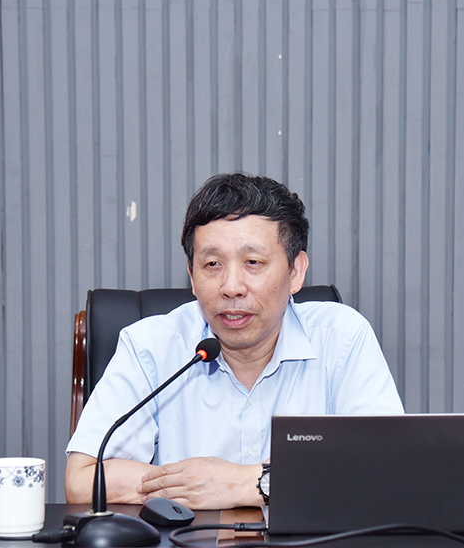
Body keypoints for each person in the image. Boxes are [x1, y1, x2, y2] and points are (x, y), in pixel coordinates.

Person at [65, 173, 403, 509]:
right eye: (212, 264)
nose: (231, 287)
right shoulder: (149, 348)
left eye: (253, 262)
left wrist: (244, 483)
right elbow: (82, 480)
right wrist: (192, 486)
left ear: (296, 271)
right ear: (192, 276)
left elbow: (389, 470)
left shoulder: (342, 339)